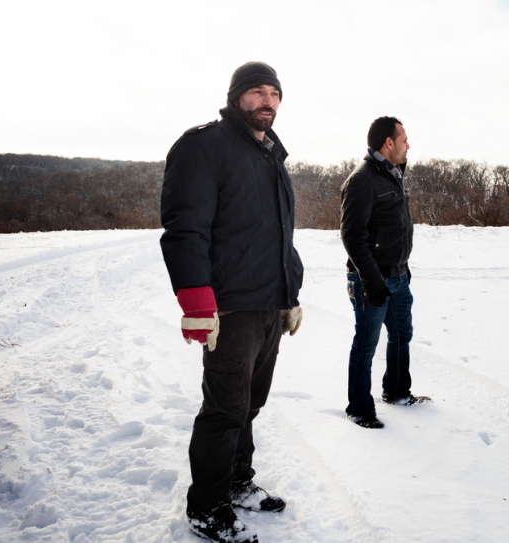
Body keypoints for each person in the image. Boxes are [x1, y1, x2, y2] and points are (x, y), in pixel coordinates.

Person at [160, 61, 303, 543]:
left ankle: (238, 483)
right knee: (224, 411)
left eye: (274, 94)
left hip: (268, 305)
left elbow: (281, 234)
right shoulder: (205, 146)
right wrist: (197, 301)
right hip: (229, 309)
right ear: (237, 96)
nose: (267, 101)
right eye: (257, 92)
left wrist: (291, 294)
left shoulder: (270, 156)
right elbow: (185, 229)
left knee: (251, 405)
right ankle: (207, 506)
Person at [340, 116, 430, 429]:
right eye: (404, 139)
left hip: (399, 276)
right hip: (372, 279)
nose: (408, 145)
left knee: (402, 335)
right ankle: (359, 409)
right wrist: (372, 281)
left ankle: (396, 392)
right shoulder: (362, 179)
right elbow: (352, 235)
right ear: (388, 143)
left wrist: (401, 269)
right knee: (366, 344)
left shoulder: (393, 175)